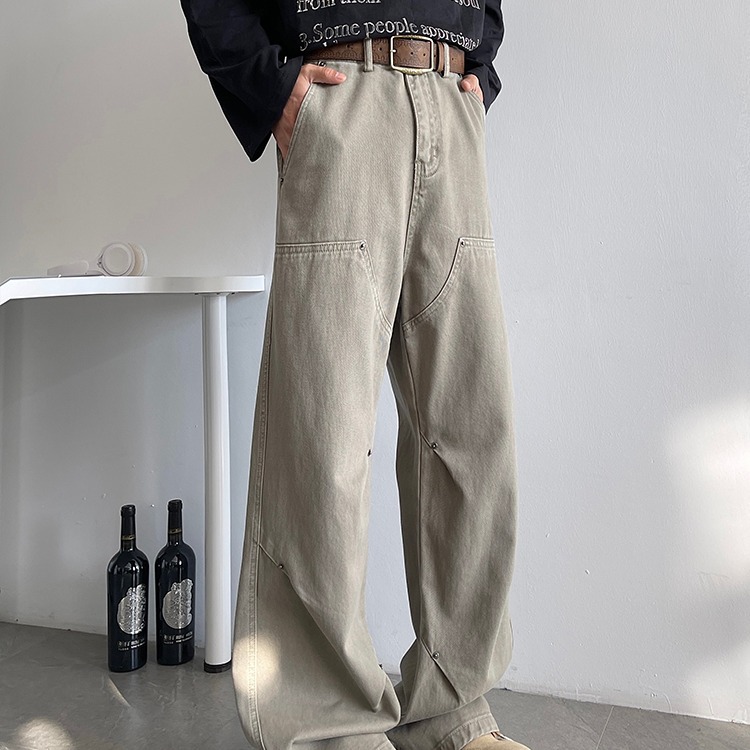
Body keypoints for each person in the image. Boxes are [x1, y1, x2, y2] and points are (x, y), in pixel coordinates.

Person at [179, 3, 528, 749]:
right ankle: (326, 722)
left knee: (471, 433)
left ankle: (452, 709)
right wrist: (270, 88)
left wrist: (481, 69)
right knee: (324, 429)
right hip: (342, 94)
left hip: (450, 100)